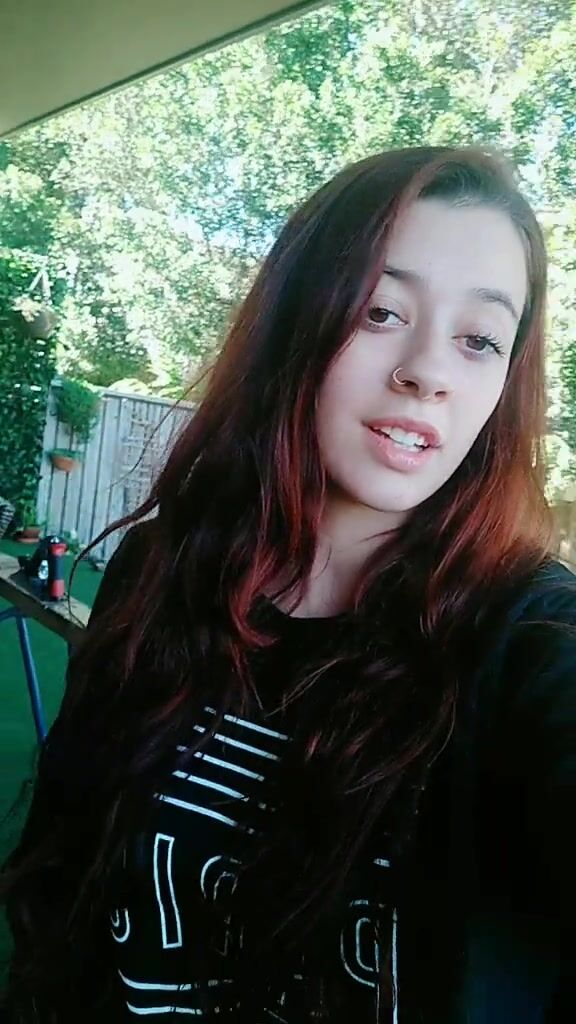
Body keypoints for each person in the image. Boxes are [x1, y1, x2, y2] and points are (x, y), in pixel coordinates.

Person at [2, 146, 575, 1023]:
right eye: (381, 310)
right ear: (297, 318)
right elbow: (62, 881)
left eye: (479, 339)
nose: (428, 372)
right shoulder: (161, 570)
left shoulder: (529, 638)